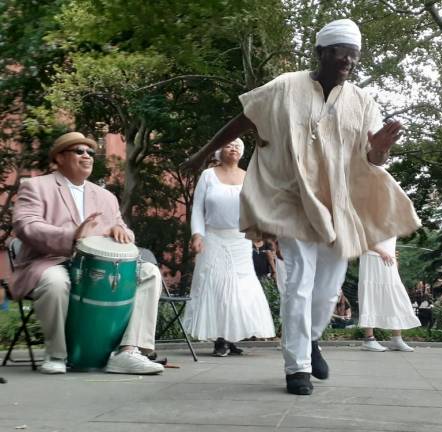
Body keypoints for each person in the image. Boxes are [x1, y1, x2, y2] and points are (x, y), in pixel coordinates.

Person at [181, 19, 420, 395]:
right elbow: (243, 120)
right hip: (290, 199)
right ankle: (297, 368)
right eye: (341, 53)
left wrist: (382, 149)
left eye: (354, 56)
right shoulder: (285, 87)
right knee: (299, 282)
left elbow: (372, 158)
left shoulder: (362, 101)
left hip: (339, 206)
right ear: (322, 52)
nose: (348, 61)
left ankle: (310, 339)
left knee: (327, 290)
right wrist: (201, 154)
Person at [11, 131, 164, 375]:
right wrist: (72, 235)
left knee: (150, 273)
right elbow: (26, 226)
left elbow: (123, 228)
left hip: (97, 267)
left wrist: (120, 231)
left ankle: (128, 351)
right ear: (60, 158)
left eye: (91, 152)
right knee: (55, 281)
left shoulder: (105, 196)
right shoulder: (36, 186)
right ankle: (56, 354)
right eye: (79, 151)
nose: (87, 156)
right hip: (50, 261)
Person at [182, 138, 275, 357]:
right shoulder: (208, 176)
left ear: (241, 152)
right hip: (213, 238)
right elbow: (197, 209)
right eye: (228, 145)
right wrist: (197, 234)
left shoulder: (248, 176)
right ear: (218, 152)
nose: (232, 148)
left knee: (240, 289)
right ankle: (220, 340)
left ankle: (232, 337)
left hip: (240, 240)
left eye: (237, 146)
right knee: (217, 287)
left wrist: (259, 232)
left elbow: (256, 208)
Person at [358, 237, 420, 352]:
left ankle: (396, 339)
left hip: (387, 258)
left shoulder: (392, 220)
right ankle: (368, 339)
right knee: (371, 296)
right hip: (372, 257)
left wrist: (394, 258)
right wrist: (381, 252)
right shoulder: (371, 218)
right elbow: (363, 238)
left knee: (394, 296)